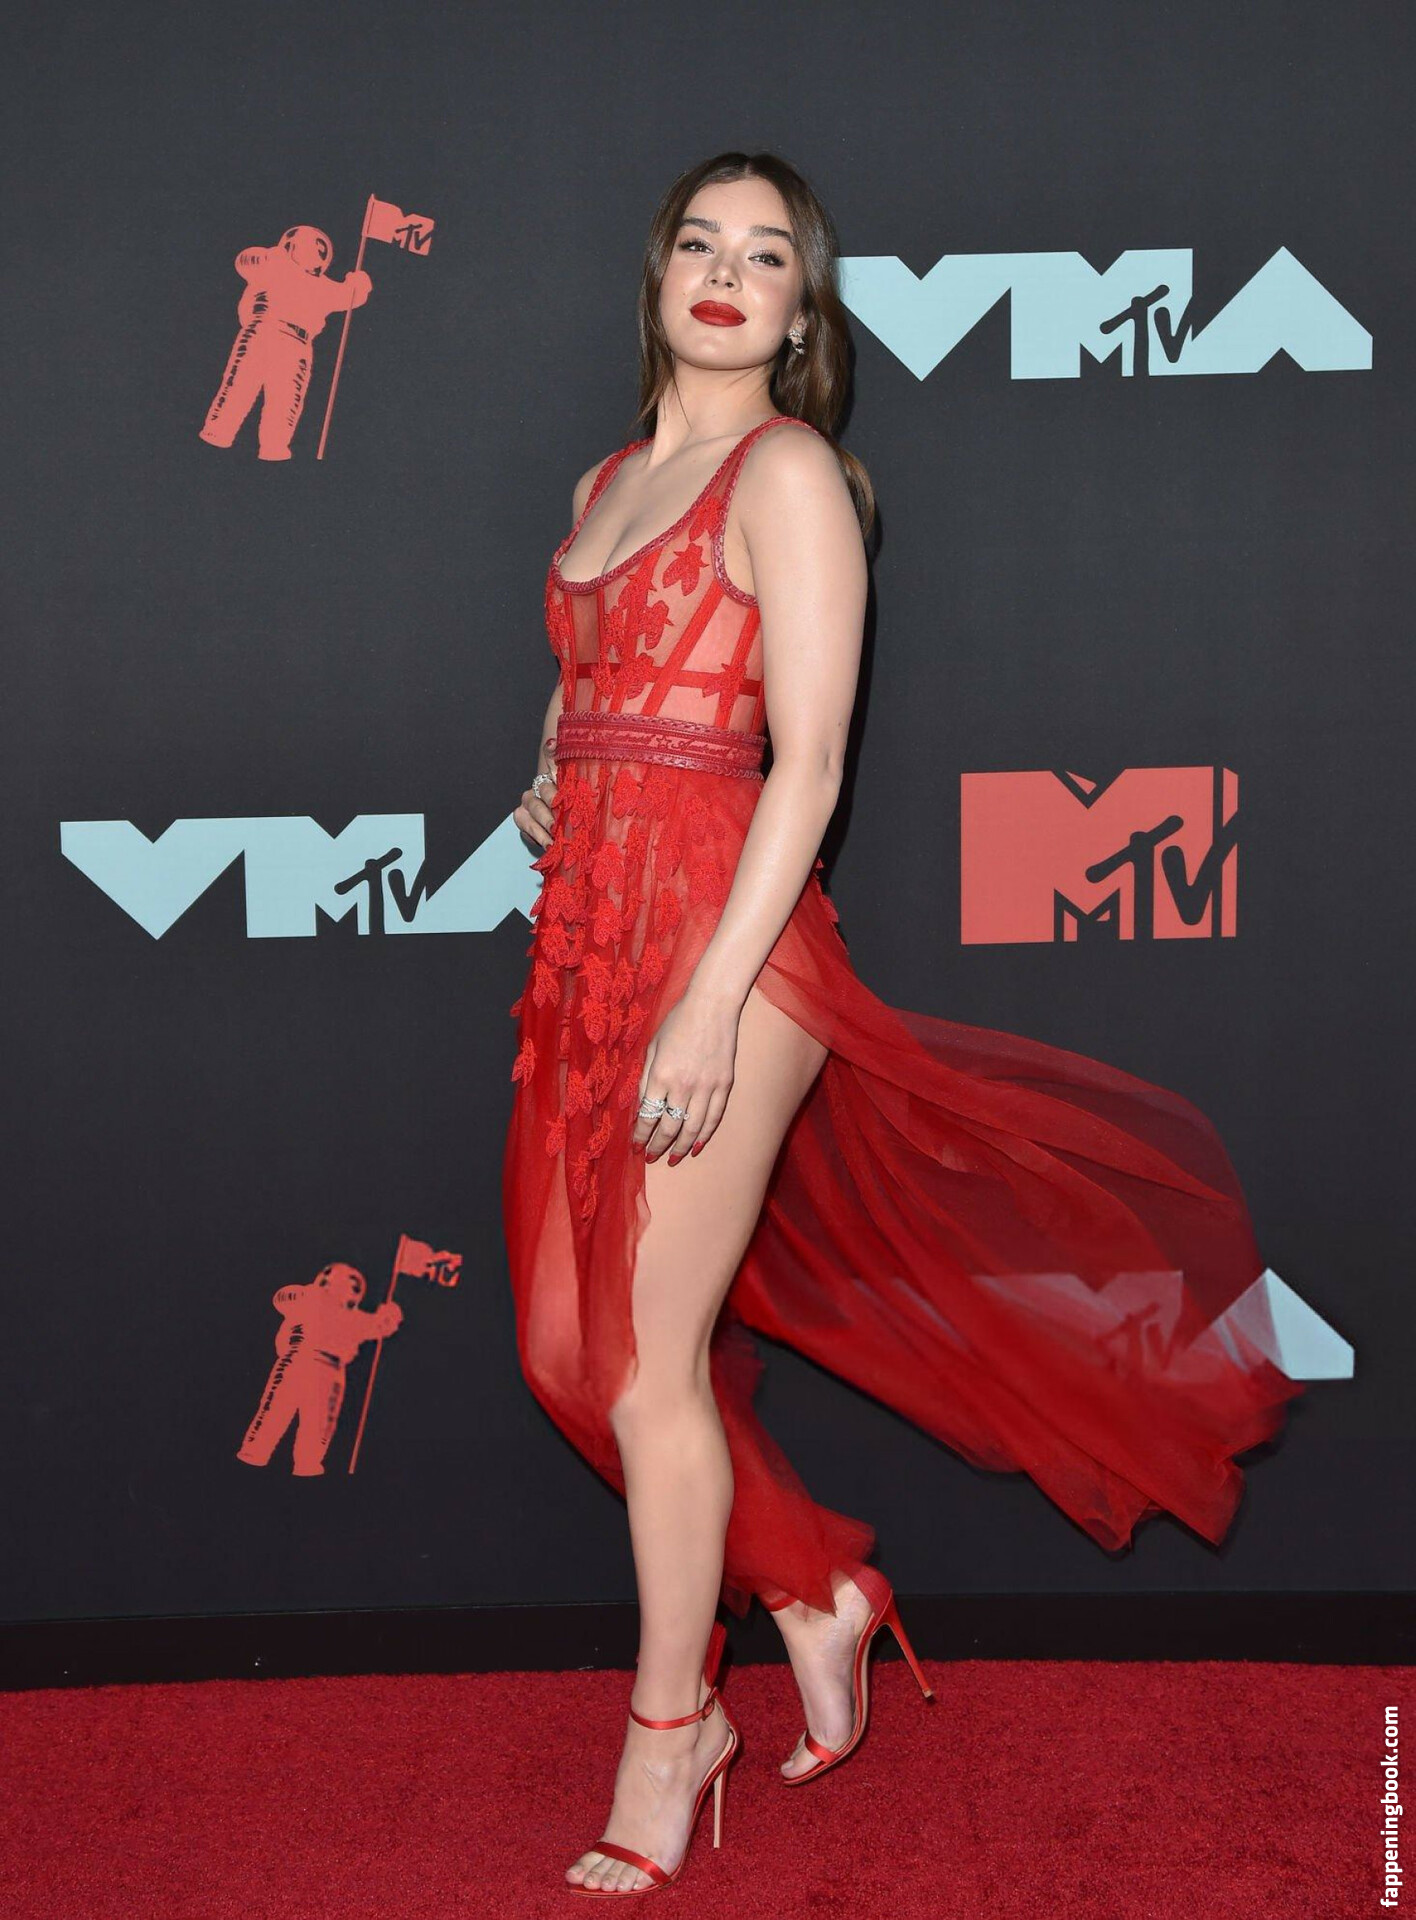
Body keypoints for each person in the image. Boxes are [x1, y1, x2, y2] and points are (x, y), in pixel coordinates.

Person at [503, 151, 1305, 1897]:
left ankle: (670, 1736)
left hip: (732, 951)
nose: (727, 272)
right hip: (587, 942)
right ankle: (818, 1593)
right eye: (700, 243)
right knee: (569, 1352)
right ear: (657, 278)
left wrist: (711, 1000)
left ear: (803, 313)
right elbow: (595, 698)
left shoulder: (790, 474)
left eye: (766, 255)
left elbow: (806, 766)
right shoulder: (607, 480)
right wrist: (549, 780)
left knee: (641, 1368)